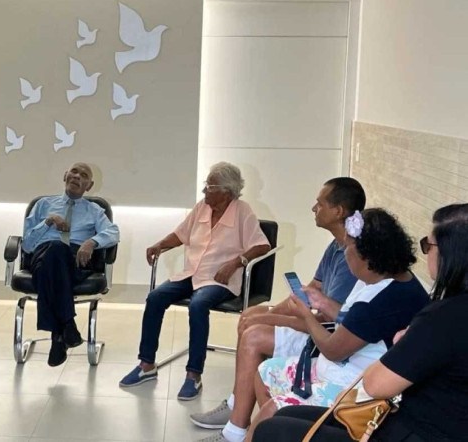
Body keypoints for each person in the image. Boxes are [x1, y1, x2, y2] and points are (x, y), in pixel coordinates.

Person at [204, 208, 430, 442]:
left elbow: (333, 349)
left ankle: (271, 429)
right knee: (265, 373)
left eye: (348, 249)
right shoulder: (389, 277)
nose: (345, 255)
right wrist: (321, 303)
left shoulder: (383, 301)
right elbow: (352, 320)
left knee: (272, 411)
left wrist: (306, 315)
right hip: (343, 369)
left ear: (367, 258)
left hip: (354, 388)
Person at [253, 203, 468, 442]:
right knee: (280, 407)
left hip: (399, 422)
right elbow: (354, 323)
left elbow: (373, 382)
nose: (426, 253)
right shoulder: (404, 287)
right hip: (407, 416)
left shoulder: (438, 315)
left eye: (428, 245)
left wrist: (305, 315)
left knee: (271, 427)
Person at [191, 177, 365, 428]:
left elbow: (326, 320)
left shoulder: (352, 258)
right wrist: (271, 311)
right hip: (318, 324)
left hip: (325, 336)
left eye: (319, 204)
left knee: (253, 334)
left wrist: (271, 317)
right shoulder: (335, 246)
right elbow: (310, 290)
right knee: (251, 314)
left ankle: (236, 426)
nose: (313, 208)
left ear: (338, 211)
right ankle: (236, 403)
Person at [119, 162, 271, 400]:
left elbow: (262, 245)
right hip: (191, 274)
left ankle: (193, 375)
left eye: (210, 186)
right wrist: (160, 245)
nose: (204, 190)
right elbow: (181, 234)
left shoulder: (243, 211)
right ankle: (146, 364)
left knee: (198, 305)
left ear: (227, 191)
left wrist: (235, 263)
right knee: (155, 298)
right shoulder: (202, 207)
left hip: (220, 279)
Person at [22, 162, 120, 367]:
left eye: (83, 175)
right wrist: (48, 221)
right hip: (41, 256)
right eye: (74, 171)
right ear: (65, 175)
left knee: (57, 255)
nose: (77, 176)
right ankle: (65, 327)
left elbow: (113, 233)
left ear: (89, 186)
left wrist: (92, 242)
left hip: (76, 260)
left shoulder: (95, 210)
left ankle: (61, 332)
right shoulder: (43, 205)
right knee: (55, 250)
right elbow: (28, 245)